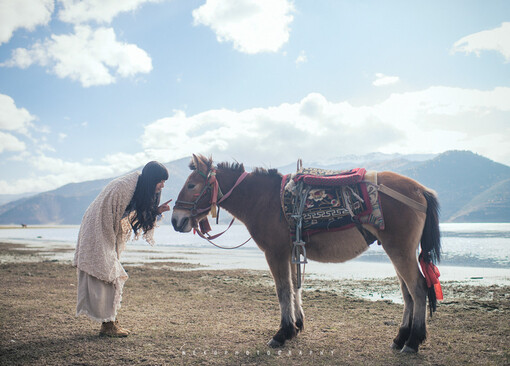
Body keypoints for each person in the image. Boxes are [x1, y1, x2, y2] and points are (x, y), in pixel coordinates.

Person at [73, 161, 171, 337]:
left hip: (109, 230)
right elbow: (105, 212)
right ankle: (108, 324)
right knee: (108, 273)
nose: (163, 185)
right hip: (97, 227)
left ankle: (109, 321)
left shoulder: (139, 189)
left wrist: (156, 211)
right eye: (160, 181)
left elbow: (133, 215)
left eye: (164, 181)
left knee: (111, 274)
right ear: (151, 179)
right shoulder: (123, 187)